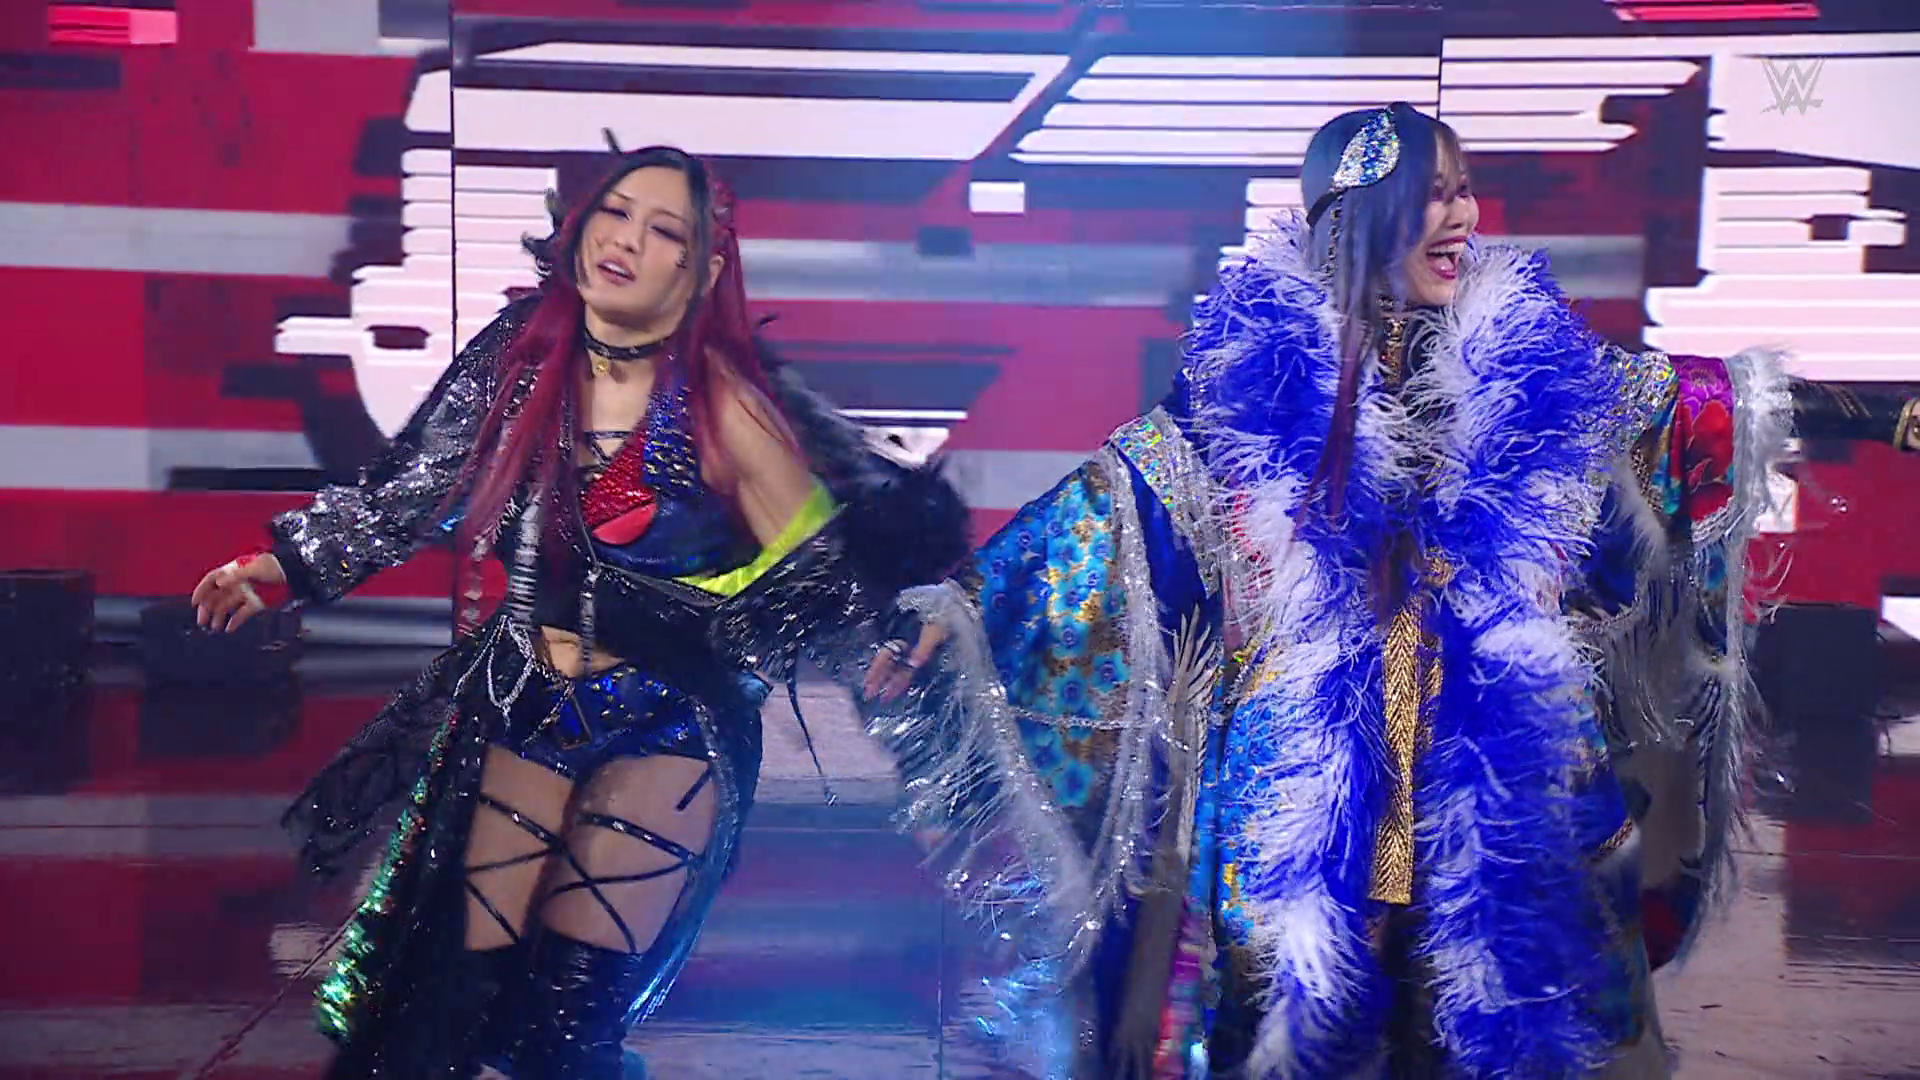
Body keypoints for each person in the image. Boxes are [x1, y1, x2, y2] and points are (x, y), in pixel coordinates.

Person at [862, 102, 1920, 1078]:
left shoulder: (1531, 364)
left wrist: (1886, 413)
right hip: (1305, 797)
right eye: (1433, 194)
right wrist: (964, 611)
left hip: (1506, 787)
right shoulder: (1247, 388)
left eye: (1466, 190)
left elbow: (1703, 400)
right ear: (1359, 218)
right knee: (1305, 1031)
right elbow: (1105, 508)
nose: (1463, 217)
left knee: (1518, 1025)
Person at [191, 144, 967, 1077]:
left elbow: (829, 570)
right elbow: (417, 485)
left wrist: (906, 619)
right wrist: (286, 562)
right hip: (521, 701)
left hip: (667, 728)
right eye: (615, 213)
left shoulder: (728, 405)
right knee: (446, 1002)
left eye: (664, 229)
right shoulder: (523, 357)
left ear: (702, 269)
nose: (627, 240)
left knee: (565, 1025)